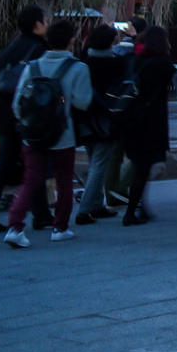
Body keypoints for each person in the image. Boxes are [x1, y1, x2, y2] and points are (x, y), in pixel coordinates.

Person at [3, 20, 94, 247]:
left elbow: (17, 105)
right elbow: (84, 102)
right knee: (64, 179)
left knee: (31, 179)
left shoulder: (32, 66)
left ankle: (15, 227)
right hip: (62, 133)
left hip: (32, 133)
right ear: (72, 41)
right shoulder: (78, 67)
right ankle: (60, 227)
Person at [0, 5, 48, 233]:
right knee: (35, 164)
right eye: (44, 21)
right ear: (37, 25)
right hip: (29, 115)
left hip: (6, 114)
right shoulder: (40, 50)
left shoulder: (8, 50)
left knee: (2, 167)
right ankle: (41, 215)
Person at [118, 26, 174, 226]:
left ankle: (137, 206)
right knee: (143, 168)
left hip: (132, 118)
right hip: (150, 121)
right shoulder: (162, 63)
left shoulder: (136, 59)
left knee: (139, 165)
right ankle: (131, 210)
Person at [75, 24, 128, 224]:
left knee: (94, 160)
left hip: (85, 117)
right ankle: (85, 209)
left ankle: (97, 205)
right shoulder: (116, 63)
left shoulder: (83, 61)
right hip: (107, 118)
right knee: (99, 165)